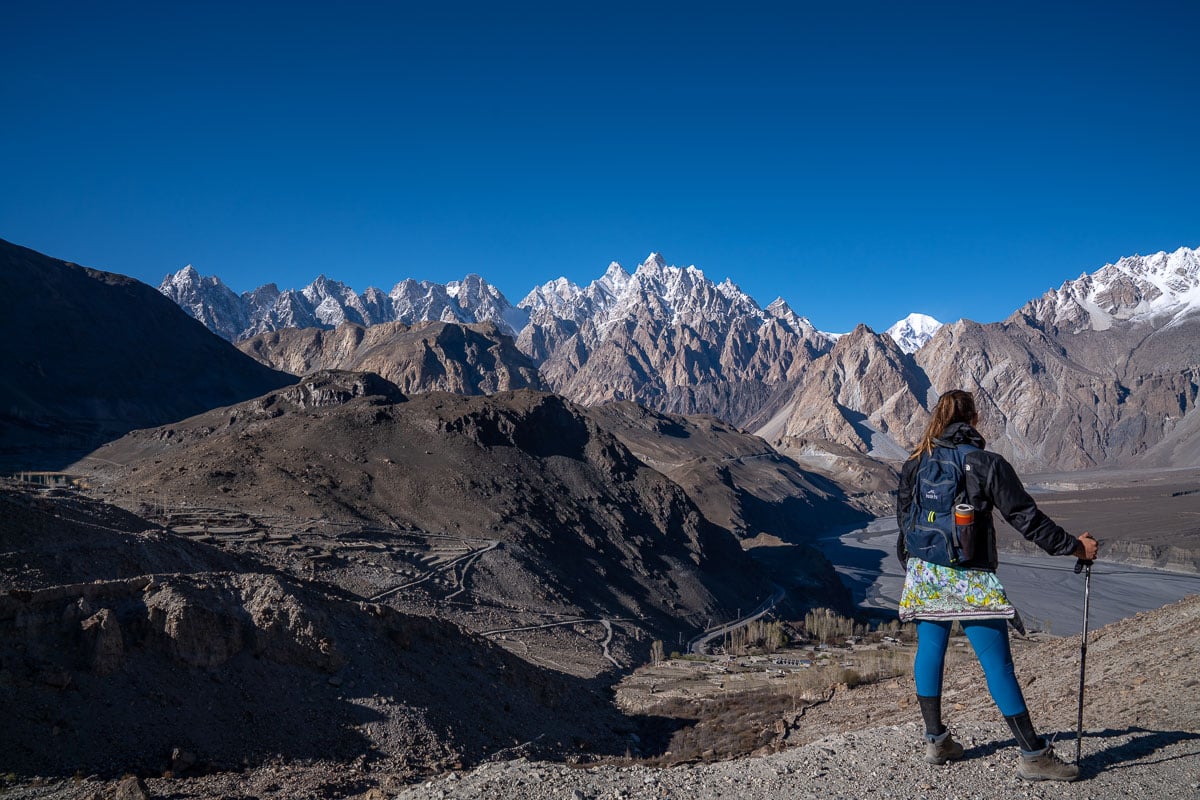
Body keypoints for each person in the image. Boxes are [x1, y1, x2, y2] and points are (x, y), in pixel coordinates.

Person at [895, 389, 1099, 782]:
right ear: (973, 420)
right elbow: (1027, 519)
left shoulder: (915, 463)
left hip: (925, 574)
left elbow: (905, 521)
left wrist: (917, 568)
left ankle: (936, 741)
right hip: (971, 576)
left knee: (930, 651)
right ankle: (1032, 756)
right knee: (997, 664)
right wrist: (1075, 547)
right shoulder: (986, 464)